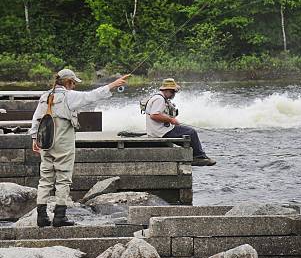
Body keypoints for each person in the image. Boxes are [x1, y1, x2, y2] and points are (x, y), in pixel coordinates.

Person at [30, 69, 129, 227]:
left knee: (45, 178)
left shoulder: (45, 96)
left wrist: (35, 138)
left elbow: (36, 119)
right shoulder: (69, 96)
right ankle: (59, 216)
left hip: (45, 141)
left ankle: (41, 217)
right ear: (67, 82)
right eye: (74, 83)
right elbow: (91, 96)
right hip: (63, 140)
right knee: (63, 177)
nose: (74, 86)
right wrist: (112, 85)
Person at [144, 78, 216, 166]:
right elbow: (154, 115)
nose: (174, 94)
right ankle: (199, 157)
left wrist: (171, 115)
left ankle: (196, 156)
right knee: (191, 132)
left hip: (159, 130)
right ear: (166, 90)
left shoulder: (160, 98)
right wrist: (171, 120)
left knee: (187, 133)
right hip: (161, 131)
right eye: (173, 92)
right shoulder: (159, 99)